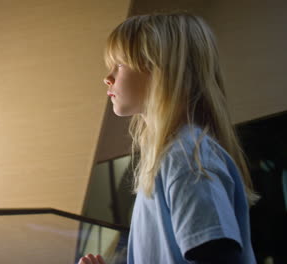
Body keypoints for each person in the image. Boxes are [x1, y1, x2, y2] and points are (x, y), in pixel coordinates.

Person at [78, 11, 261, 264]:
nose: (107, 78)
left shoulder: (186, 156)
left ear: (161, 70)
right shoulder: (175, 156)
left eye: (119, 65)